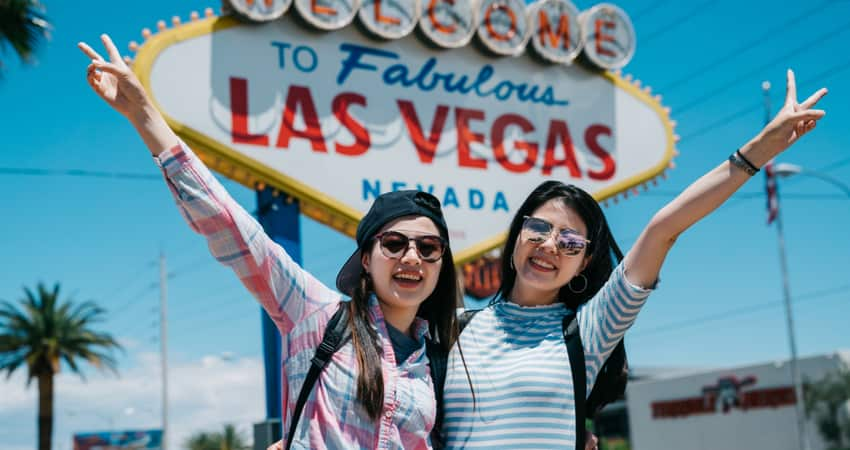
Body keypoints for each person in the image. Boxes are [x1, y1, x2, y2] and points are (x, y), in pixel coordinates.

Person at [78, 34, 462, 449]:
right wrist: (145, 115)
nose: (411, 257)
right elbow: (232, 228)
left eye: (428, 248)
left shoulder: (441, 360)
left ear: (441, 262)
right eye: (393, 243)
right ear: (366, 259)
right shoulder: (316, 315)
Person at [440, 69, 827, 450]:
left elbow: (664, 228)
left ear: (585, 261)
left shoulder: (588, 331)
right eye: (539, 228)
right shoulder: (449, 327)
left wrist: (761, 148)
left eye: (571, 240)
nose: (550, 245)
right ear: (517, 236)